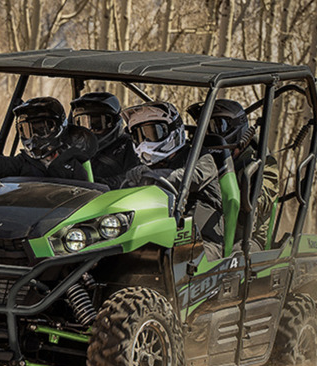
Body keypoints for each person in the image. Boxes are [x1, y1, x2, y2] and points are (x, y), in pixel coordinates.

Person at [122, 101, 224, 260]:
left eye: (151, 133)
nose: (145, 142)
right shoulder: (147, 167)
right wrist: (131, 179)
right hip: (160, 238)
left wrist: (152, 176)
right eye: (139, 135)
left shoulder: (201, 158)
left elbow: (189, 177)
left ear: (172, 131)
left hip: (204, 244)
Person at [187, 98, 279, 250]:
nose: (210, 135)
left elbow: (262, 201)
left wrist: (239, 181)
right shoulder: (204, 160)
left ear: (235, 128)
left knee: (237, 254)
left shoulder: (261, 162)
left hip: (248, 236)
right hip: (210, 227)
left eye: (216, 127)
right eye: (205, 129)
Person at [0, 97, 97, 180]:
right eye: (28, 130)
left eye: (42, 129)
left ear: (58, 128)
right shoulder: (23, 162)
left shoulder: (72, 165)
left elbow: (88, 201)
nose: (34, 136)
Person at [69, 92, 138, 188]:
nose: (90, 130)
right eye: (83, 124)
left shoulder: (129, 146)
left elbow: (133, 179)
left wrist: (100, 183)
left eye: (97, 124)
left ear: (113, 123)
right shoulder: (72, 149)